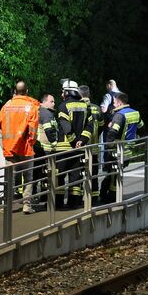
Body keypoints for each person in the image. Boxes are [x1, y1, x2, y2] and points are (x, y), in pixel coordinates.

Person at [0, 81, 40, 214]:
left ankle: (7, 206)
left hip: (9, 147)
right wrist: (31, 142)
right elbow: (33, 129)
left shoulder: (6, 106)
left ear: (15, 91)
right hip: (25, 149)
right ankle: (27, 205)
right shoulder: (31, 106)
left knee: (9, 178)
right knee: (28, 178)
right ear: (27, 91)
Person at [55, 80, 93, 209]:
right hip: (79, 148)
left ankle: (58, 204)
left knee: (59, 176)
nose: (62, 94)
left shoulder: (63, 106)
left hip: (64, 149)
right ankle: (74, 203)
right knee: (75, 176)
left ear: (68, 92)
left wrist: (73, 141)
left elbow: (66, 127)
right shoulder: (85, 106)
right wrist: (82, 140)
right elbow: (90, 126)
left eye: (63, 91)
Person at [102, 92, 144, 203]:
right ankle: (111, 195)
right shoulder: (135, 113)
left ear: (120, 103)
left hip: (117, 150)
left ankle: (112, 197)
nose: (113, 104)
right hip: (128, 150)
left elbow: (113, 132)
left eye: (114, 102)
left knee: (113, 174)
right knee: (116, 173)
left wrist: (108, 145)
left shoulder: (119, 115)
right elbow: (141, 127)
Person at [79, 85, 103, 205]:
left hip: (79, 147)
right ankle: (94, 198)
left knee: (78, 174)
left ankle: (77, 199)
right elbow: (102, 125)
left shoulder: (77, 106)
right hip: (93, 147)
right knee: (93, 174)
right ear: (89, 94)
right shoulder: (96, 108)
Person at [33, 93, 58, 204]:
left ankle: (34, 196)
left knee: (36, 173)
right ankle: (44, 197)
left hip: (37, 147)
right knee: (45, 174)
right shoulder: (46, 113)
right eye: (51, 101)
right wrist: (55, 143)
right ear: (44, 102)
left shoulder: (38, 111)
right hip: (45, 149)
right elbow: (48, 130)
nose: (54, 103)